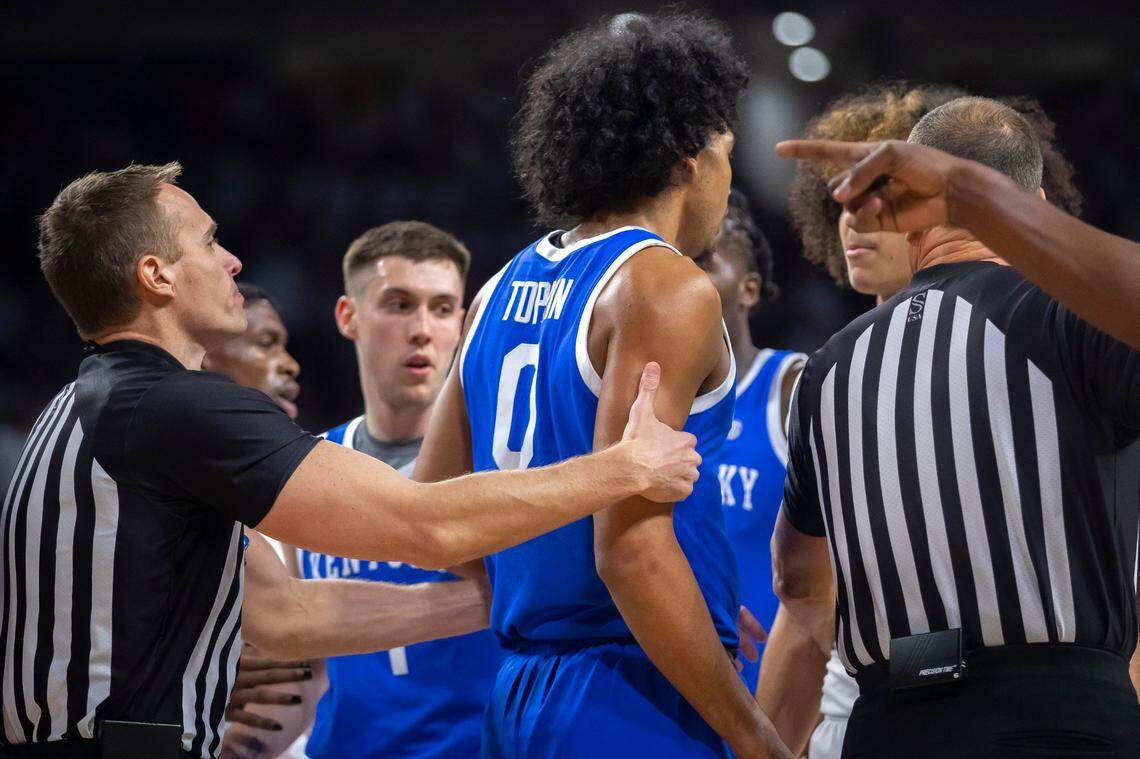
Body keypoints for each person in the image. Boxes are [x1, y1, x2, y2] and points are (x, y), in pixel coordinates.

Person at [2, 162, 699, 758]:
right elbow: (427, 526)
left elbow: (286, 614)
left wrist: (503, 597)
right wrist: (625, 465)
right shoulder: (173, 407)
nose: (233, 262)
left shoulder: (79, 405)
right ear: (155, 274)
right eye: (210, 242)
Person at [415, 12, 790, 759]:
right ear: (686, 157)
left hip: (519, 691)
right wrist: (754, 735)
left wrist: (545, 583)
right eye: (725, 153)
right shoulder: (664, 287)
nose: (728, 177)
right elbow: (632, 553)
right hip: (632, 690)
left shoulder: (497, 287)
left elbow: (436, 507)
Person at [774, 97, 1140, 757]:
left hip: (893, 716)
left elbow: (798, 576)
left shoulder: (826, 369)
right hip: (1062, 713)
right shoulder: (1071, 320)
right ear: (1031, 202)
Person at [291, 222, 505, 758]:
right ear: (349, 317)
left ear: (462, 324)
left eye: (441, 308)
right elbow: (294, 658)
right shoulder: (304, 469)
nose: (422, 330)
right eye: (399, 304)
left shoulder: (503, 466)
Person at [776, 130, 1140, 352]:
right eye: (845, 200)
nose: (858, 220)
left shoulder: (1059, 328)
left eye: (885, 196)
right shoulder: (832, 365)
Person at [695, 189, 805, 693]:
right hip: (677, 681)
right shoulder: (645, 400)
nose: (686, 271)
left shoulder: (790, 384)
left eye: (706, 258)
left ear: (749, 289)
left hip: (779, 689)